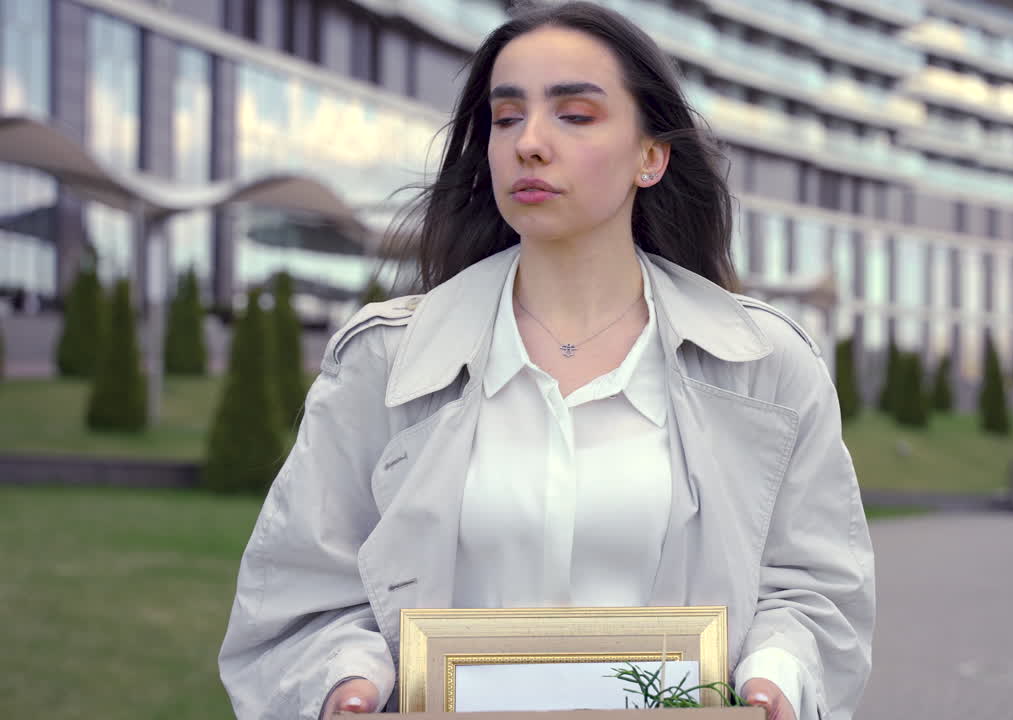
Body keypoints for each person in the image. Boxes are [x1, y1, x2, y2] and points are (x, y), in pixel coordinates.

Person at [217, 3, 874, 719]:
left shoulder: (766, 364)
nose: (529, 142)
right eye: (505, 118)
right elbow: (302, 592)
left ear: (650, 156)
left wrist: (772, 681)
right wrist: (346, 683)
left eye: (575, 115)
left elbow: (815, 590)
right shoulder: (384, 361)